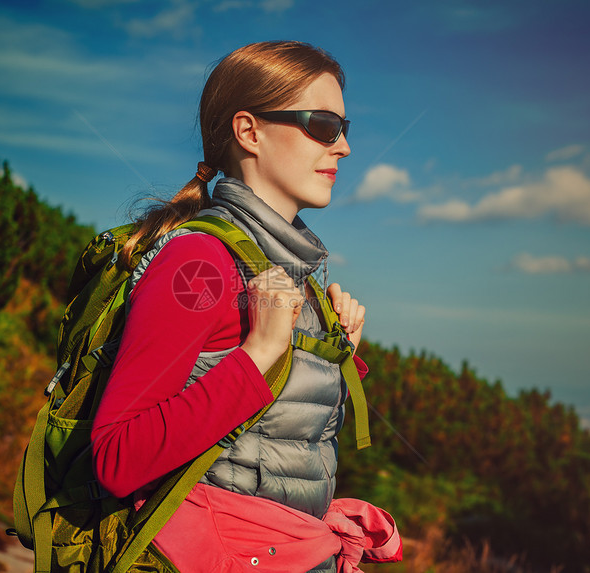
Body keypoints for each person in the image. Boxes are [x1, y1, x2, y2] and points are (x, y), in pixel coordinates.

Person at [91, 41, 401, 572]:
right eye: (323, 125)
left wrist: (330, 353)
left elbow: (276, 446)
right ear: (249, 131)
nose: (344, 147)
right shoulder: (199, 262)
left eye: (345, 128)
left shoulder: (285, 271)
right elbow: (117, 457)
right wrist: (259, 355)